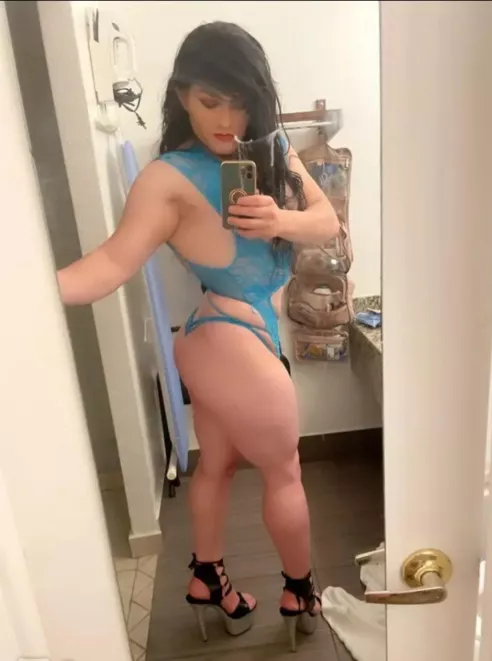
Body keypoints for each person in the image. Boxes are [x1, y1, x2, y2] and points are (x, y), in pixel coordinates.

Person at [57, 21, 339, 650]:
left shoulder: (272, 151)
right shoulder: (167, 178)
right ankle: (300, 591)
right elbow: (110, 263)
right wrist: (27, 292)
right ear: (182, 94)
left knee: (217, 466)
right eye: (211, 101)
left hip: (213, 337)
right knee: (285, 473)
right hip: (235, 342)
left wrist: (279, 218)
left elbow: (326, 223)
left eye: (240, 102)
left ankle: (207, 580)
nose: (227, 120)